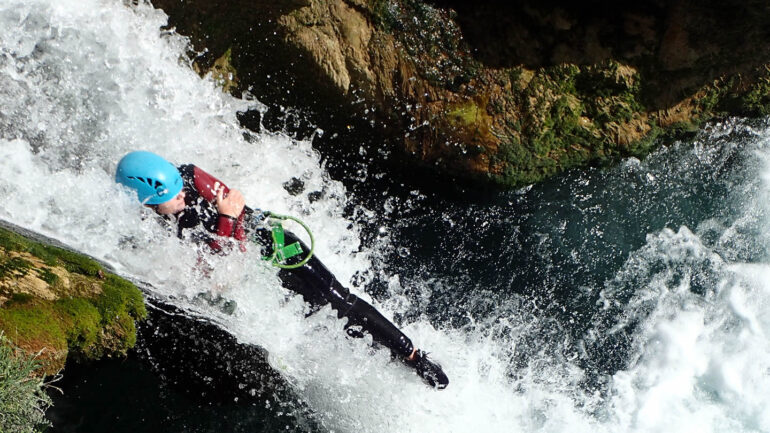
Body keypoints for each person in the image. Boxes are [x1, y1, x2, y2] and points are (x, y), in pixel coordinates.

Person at [115, 150, 449, 389]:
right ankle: (377, 353)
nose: (182, 197)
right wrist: (226, 222)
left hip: (274, 242)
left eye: (179, 189)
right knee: (318, 319)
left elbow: (235, 212)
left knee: (338, 299)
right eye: (172, 198)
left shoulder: (187, 176)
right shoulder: (160, 226)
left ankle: (413, 355)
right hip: (255, 271)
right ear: (146, 202)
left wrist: (229, 224)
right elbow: (212, 266)